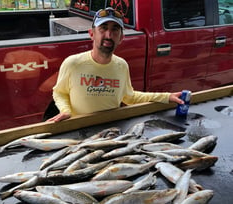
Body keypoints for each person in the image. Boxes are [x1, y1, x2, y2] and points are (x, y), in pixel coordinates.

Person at [47, 7, 184, 122]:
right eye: (103, 28)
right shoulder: (73, 63)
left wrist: (166, 97)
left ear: (121, 38)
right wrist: (66, 111)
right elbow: (59, 92)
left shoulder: (121, 65)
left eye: (115, 30)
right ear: (92, 34)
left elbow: (130, 97)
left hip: (111, 131)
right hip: (81, 130)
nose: (108, 34)